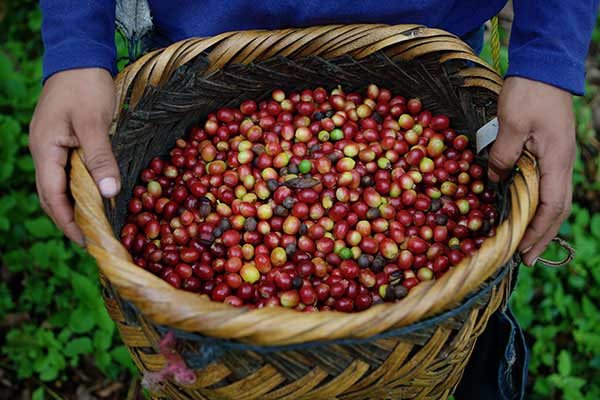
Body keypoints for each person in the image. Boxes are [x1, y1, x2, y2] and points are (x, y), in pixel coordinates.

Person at [30, 1, 599, 398]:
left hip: (431, 54)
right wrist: (79, 44)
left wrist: (548, 54)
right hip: (201, 60)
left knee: (424, 350)